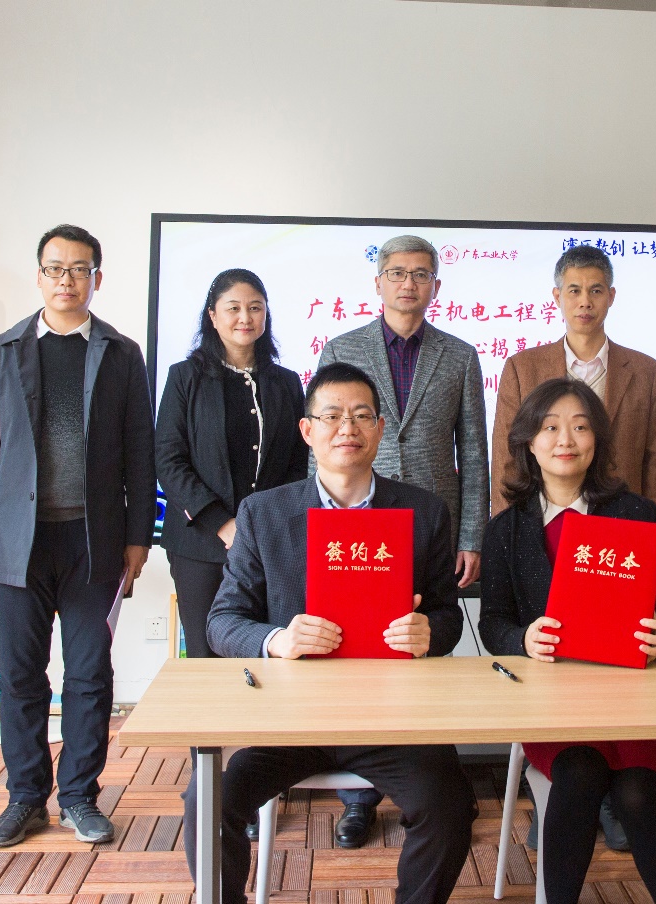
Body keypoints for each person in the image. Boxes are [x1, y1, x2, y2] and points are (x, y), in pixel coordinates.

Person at [188, 361, 476, 904]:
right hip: (292, 722)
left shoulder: (424, 512)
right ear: (307, 430)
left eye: (363, 415)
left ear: (381, 428)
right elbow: (222, 622)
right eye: (333, 416)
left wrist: (428, 633)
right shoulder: (263, 514)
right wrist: (277, 640)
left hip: (391, 721)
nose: (348, 428)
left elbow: (447, 616)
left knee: (450, 805)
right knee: (209, 797)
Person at [0, 224, 156, 848]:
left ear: (97, 277)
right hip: (16, 542)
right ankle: (25, 797)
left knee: (90, 672)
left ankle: (79, 796)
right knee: (21, 675)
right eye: (55, 268)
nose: (66, 280)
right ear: (39, 275)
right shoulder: (1, 351)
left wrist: (139, 536)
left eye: (79, 269)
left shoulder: (121, 353)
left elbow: (140, 452)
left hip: (93, 541)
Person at [479, 377, 656, 904]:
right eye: (550, 427)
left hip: (639, 704)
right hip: (558, 707)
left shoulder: (637, 514)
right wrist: (523, 639)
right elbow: (493, 623)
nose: (565, 440)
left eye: (579, 426)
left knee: (637, 791)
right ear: (529, 441)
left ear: (597, 438)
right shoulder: (505, 530)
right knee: (578, 776)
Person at [315, 234, 488, 846]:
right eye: (397, 273)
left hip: (431, 526)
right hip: (357, 522)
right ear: (379, 282)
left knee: (422, 644)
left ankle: (431, 776)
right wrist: (323, 526)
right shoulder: (344, 348)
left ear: (436, 284)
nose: (408, 283)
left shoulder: (460, 355)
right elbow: (325, 440)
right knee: (359, 648)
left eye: (420, 274)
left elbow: (474, 451)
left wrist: (472, 533)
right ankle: (358, 794)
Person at [155, 268, 308, 659]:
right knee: (206, 652)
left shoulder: (287, 382)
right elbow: (169, 460)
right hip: (200, 543)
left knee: (270, 648)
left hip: (270, 543)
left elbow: (298, 462)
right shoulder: (185, 377)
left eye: (255, 308)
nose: (245, 317)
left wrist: (269, 524)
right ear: (213, 315)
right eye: (234, 308)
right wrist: (222, 523)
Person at [491, 244, 656, 521]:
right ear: (557, 296)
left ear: (611, 296)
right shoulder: (522, 368)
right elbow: (506, 460)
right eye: (574, 290)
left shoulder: (647, 372)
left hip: (622, 525)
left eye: (596, 291)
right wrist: (504, 533)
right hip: (541, 524)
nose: (585, 302)